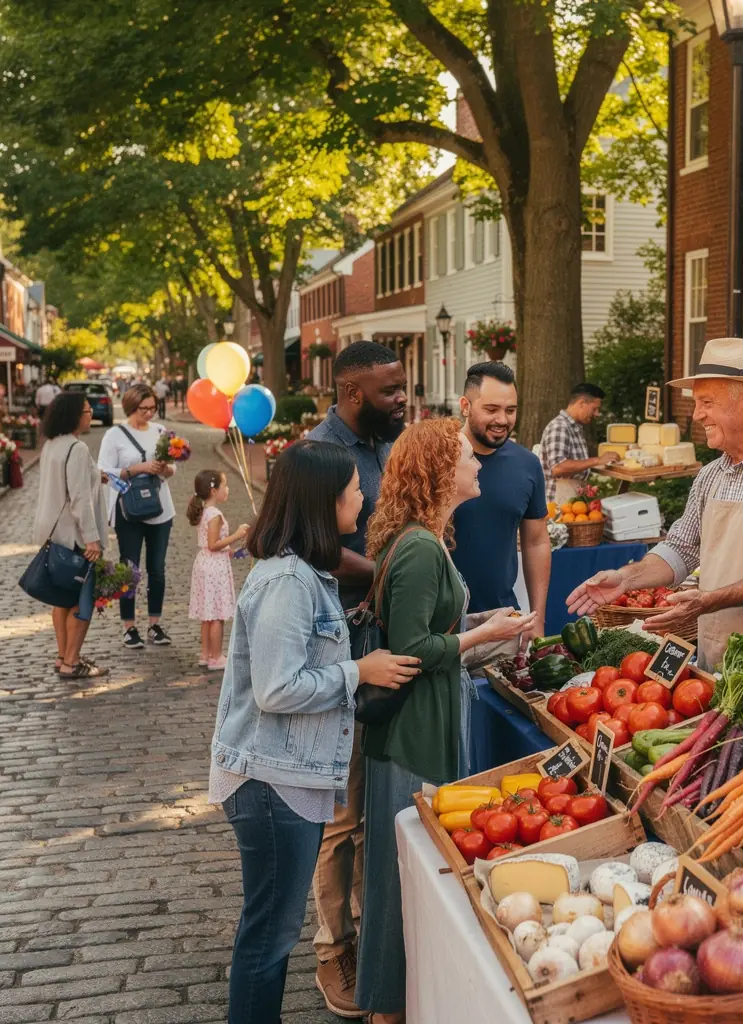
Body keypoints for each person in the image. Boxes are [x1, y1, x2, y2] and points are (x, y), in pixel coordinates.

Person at [208, 440, 421, 1024]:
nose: (363, 497)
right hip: (270, 781)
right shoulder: (287, 583)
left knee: (271, 926)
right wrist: (360, 671)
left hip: (285, 777)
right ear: (324, 502)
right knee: (270, 934)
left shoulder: (305, 574)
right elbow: (278, 689)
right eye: (354, 488)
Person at [356, 419, 537, 1024]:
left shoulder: (428, 539)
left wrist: (485, 622)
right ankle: (387, 1005)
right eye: (465, 457)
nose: (478, 464)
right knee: (398, 871)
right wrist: (484, 634)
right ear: (438, 472)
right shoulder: (418, 547)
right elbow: (409, 650)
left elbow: (435, 628)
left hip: (430, 714)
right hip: (413, 727)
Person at [567, 338, 743, 672]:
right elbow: (681, 548)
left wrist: (705, 600)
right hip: (720, 654)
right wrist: (626, 578)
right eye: (696, 403)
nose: (697, 415)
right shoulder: (711, 475)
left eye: (706, 402)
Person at [304, 340, 407, 1018]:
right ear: (351, 395)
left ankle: (375, 942)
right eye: (389, 390)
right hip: (336, 647)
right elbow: (313, 544)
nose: (402, 398)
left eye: (401, 387)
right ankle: (332, 949)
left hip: (390, 641)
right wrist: (389, 574)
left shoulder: (390, 444)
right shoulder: (318, 454)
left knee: (383, 802)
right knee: (340, 813)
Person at [452, 361, 550, 640]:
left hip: (504, 621)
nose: (502, 420)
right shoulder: (438, 459)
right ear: (465, 405)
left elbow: (536, 541)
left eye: (510, 410)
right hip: (441, 628)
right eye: (491, 409)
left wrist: (538, 619)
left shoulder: (527, 465)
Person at [32, 392, 108, 679]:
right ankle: (72, 663)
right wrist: (92, 539)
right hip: (74, 535)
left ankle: (63, 655)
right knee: (81, 601)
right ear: (75, 415)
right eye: (87, 411)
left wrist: (94, 475)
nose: (90, 415)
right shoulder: (76, 448)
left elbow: (64, 483)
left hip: (52, 533)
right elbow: (78, 498)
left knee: (60, 600)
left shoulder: (52, 444)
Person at [97, 383, 176, 649]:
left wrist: (164, 469)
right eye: (144, 408)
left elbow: (173, 468)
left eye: (153, 408)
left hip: (160, 508)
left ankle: (154, 623)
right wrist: (137, 468)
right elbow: (103, 472)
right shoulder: (114, 435)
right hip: (127, 511)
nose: (150, 413)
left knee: (157, 569)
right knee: (129, 569)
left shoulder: (161, 432)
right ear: (132, 406)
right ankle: (129, 627)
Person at [187, 469, 249, 670]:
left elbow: (210, 543)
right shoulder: (215, 515)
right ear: (214, 491)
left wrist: (229, 549)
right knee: (217, 615)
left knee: (208, 614)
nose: (228, 489)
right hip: (214, 567)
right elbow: (214, 544)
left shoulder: (205, 511)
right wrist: (237, 535)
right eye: (225, 485)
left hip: (206, 562)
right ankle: (216, 656)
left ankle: (205, 654)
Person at [539, 382, 620, 504]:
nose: (597, 413)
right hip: (557, 505)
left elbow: (576, 465)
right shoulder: (560, 427)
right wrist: (597, 460)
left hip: (571, 500)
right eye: (594, 408)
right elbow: (558, 467)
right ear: (582, 403)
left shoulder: (575, 427)